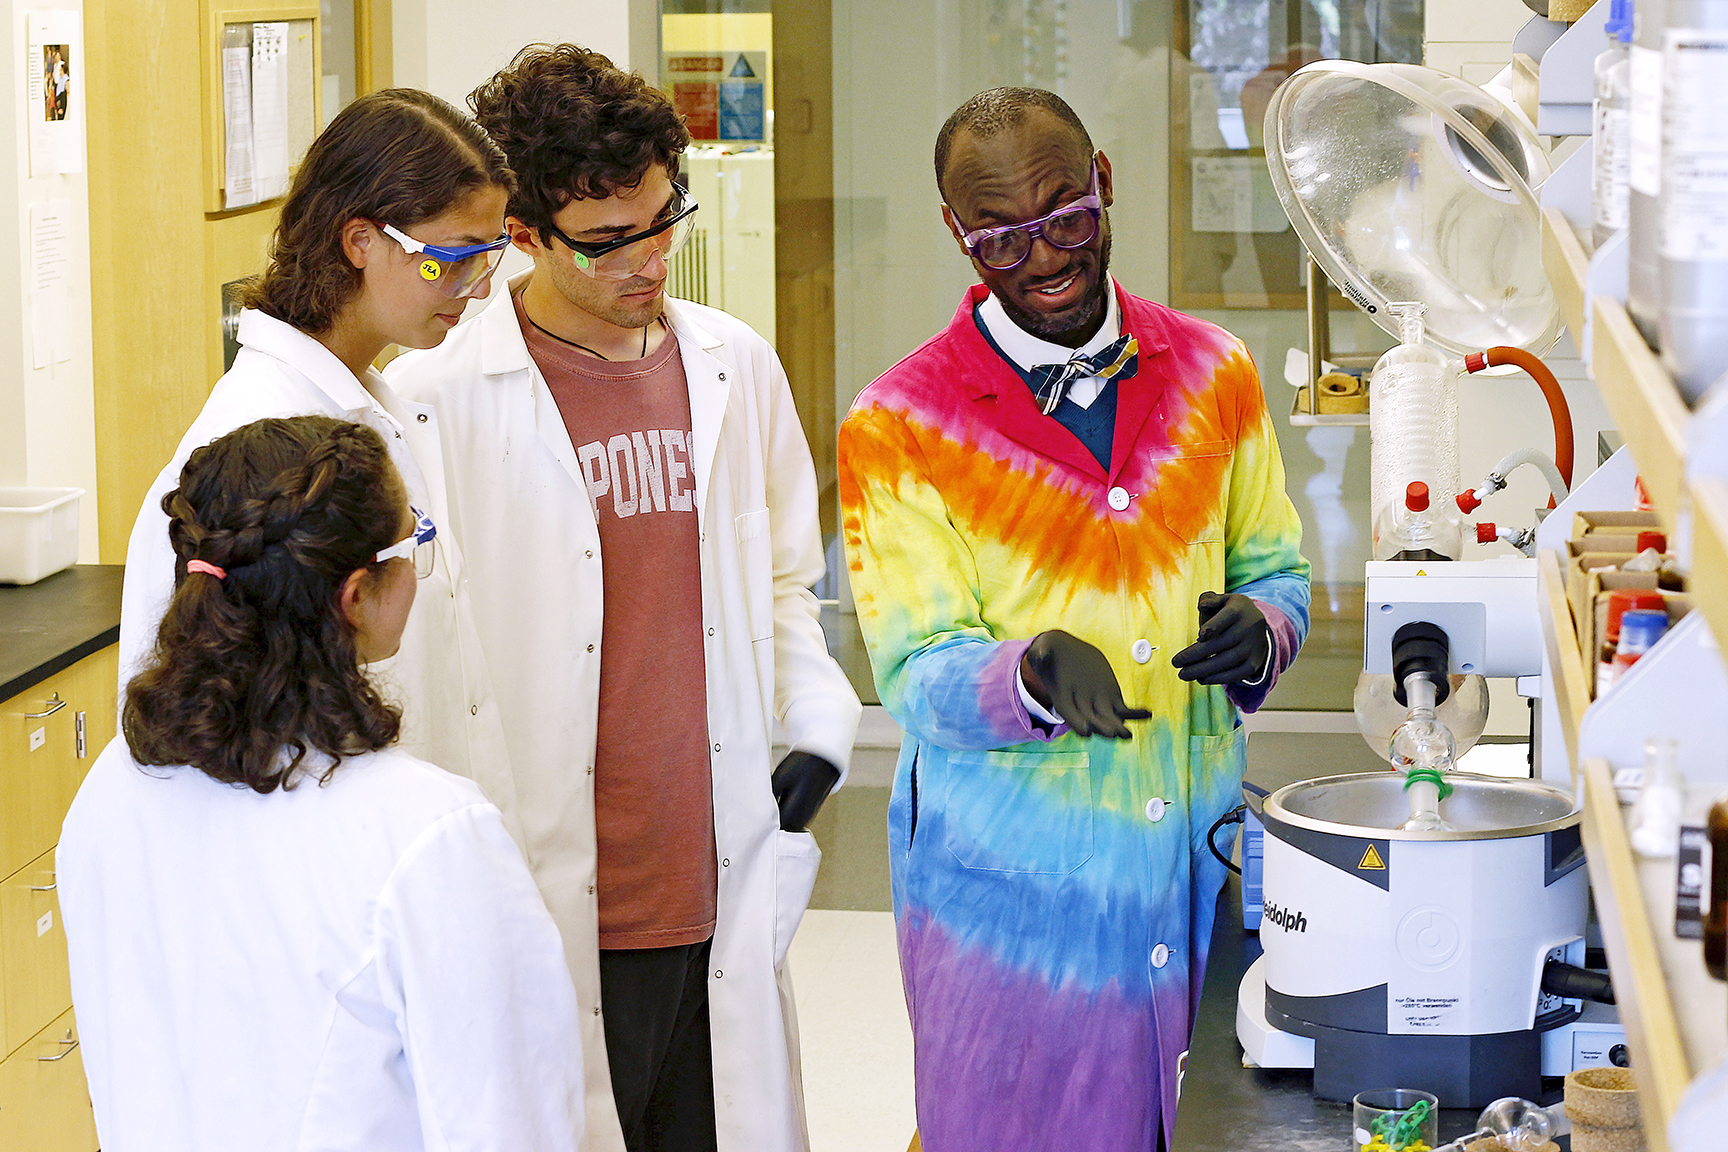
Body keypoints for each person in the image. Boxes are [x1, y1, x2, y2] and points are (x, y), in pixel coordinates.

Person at [383, 44, 861, 1152]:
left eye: (665, 220)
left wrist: (816, 727)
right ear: (520, 236)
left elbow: (784, 577)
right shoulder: (433, 400)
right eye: (606, 244)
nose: (649, 262)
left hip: (716, 871)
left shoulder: (733, 365)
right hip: (546, 883)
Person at [838, 88, 1312, 1151]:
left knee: (1207, 1125)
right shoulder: (900, 424)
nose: (1044, 258)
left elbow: (1277, 567)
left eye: (1065, 215)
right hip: (1015, 914)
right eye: (999, 240)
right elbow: (916, 669)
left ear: (1105, 179)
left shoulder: (1213, 375)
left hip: (1196, 868)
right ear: (957, 234)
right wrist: (1028, 676)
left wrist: (1263, 626)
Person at [59, 416, 585, 1152]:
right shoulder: (428, 836)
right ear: (357, 597)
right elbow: (515, 1127)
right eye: (412, 544)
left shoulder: (111, 791)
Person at [116, 88, 518, 815]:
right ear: (360, 240)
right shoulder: (256, 438)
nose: (477, 288)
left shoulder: (375, 400)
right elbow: (194, 733)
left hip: (411, 840)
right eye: (451, 259)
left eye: (488, 256)